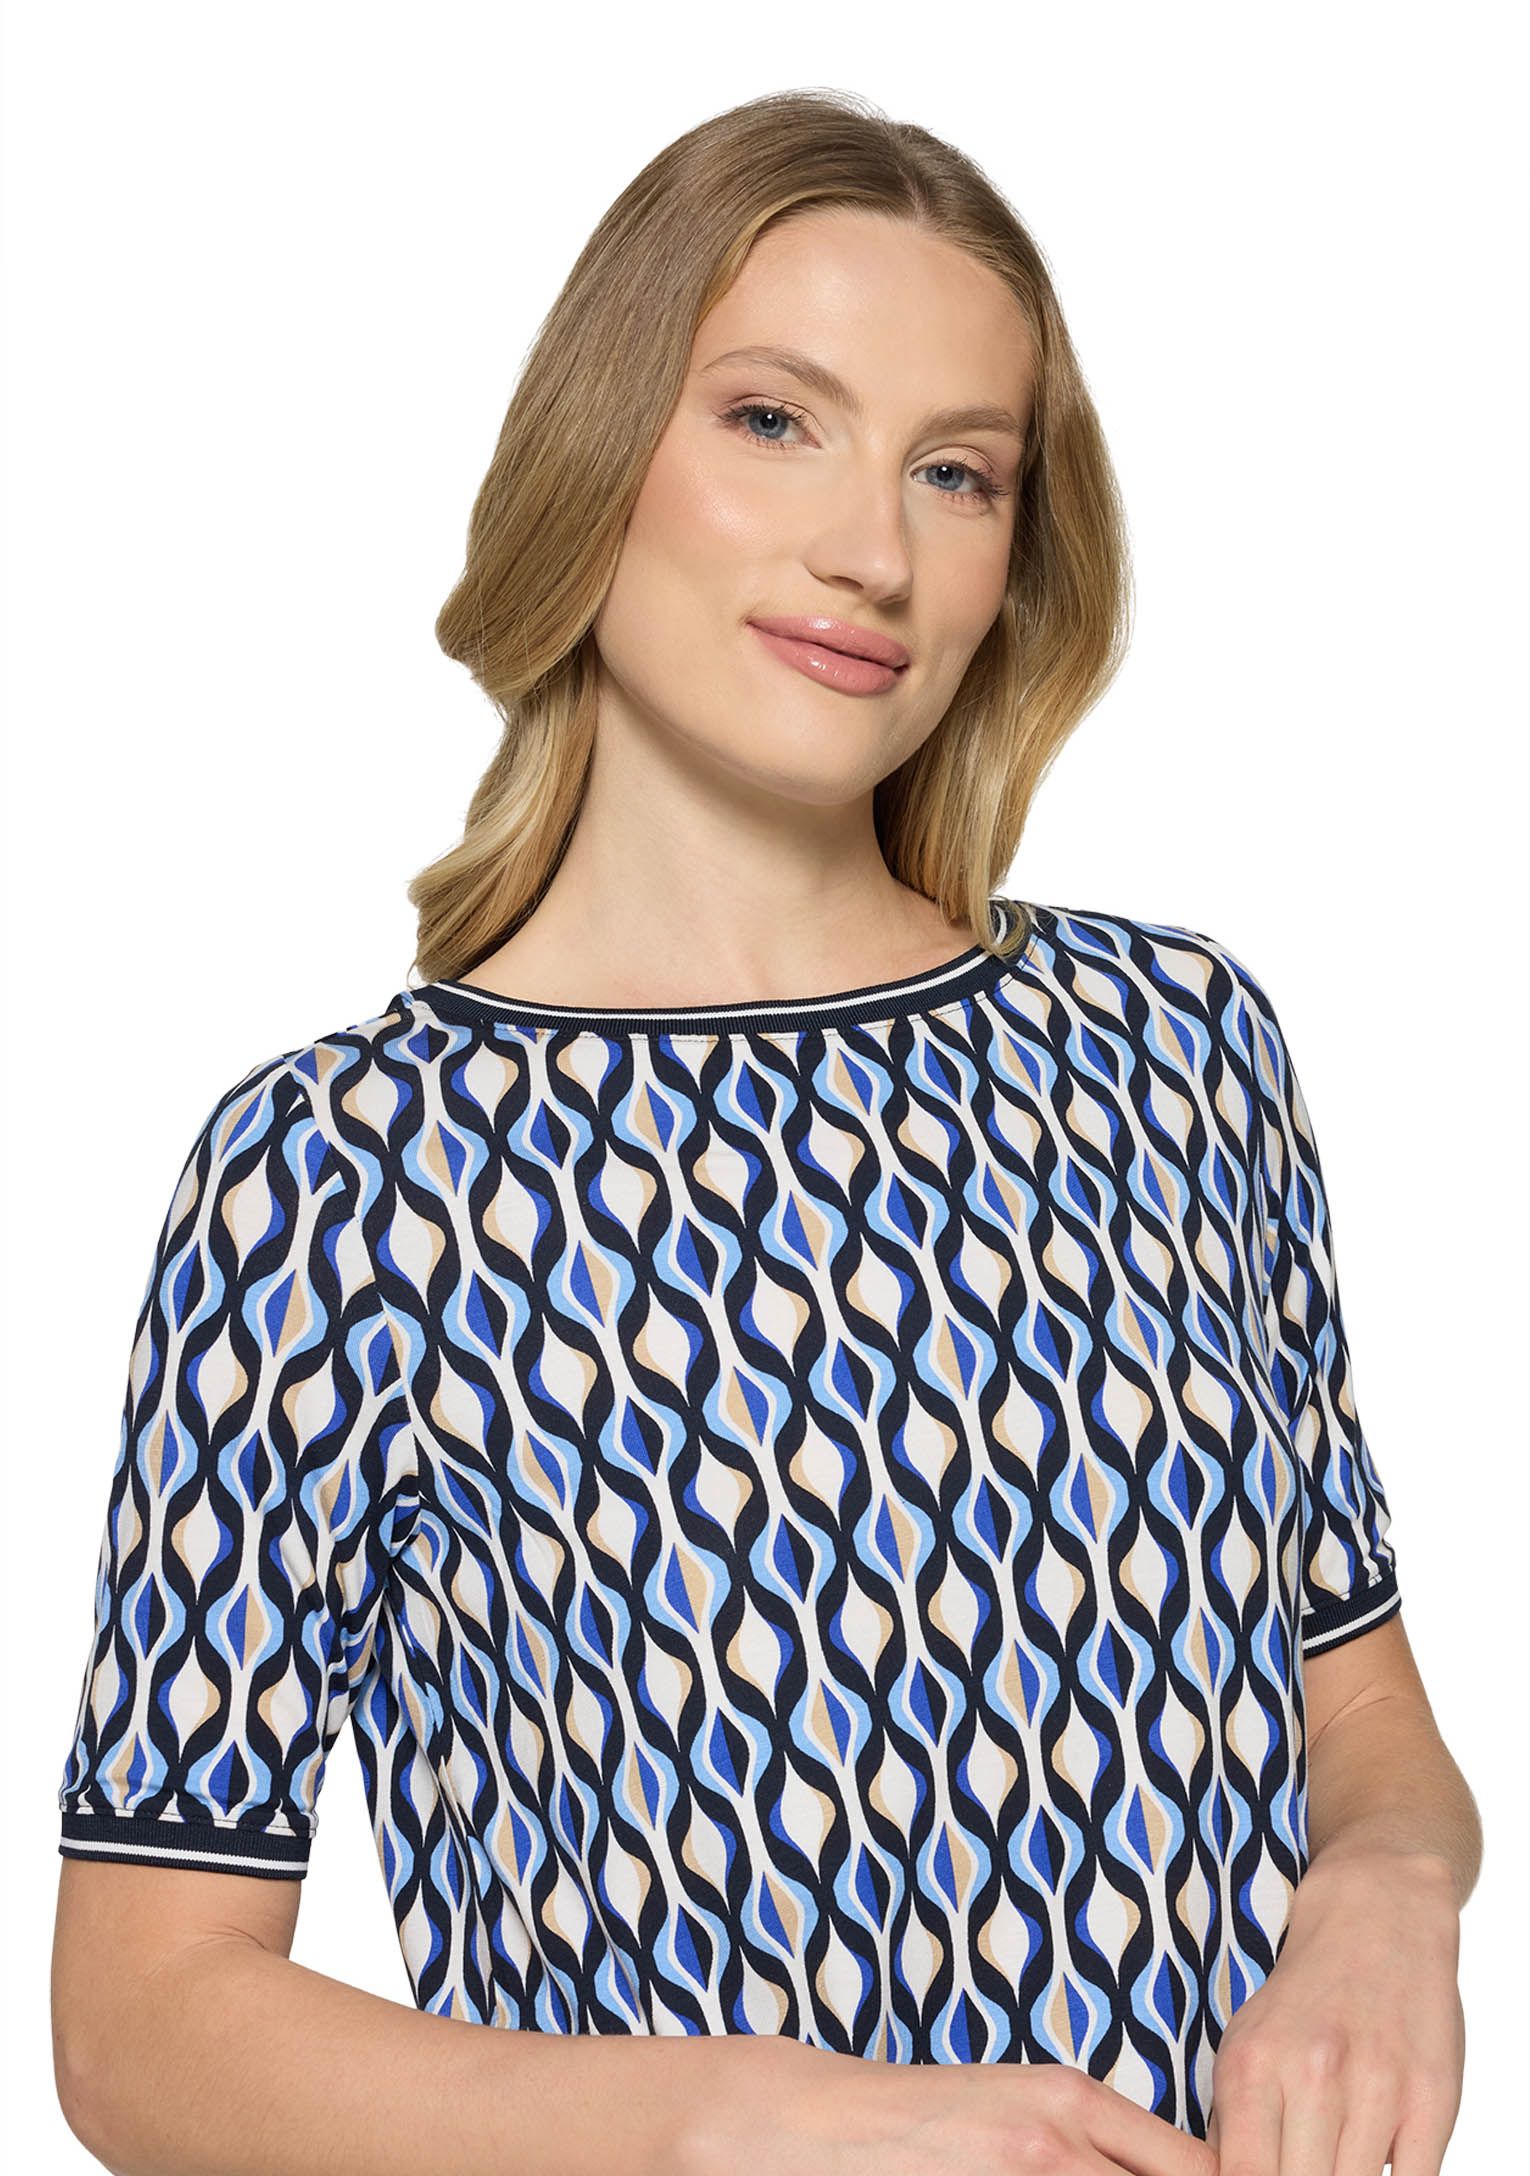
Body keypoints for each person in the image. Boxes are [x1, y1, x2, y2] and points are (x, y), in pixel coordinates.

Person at [51, 87, 1477, 2176]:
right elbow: (138, 2015)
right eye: (774, 419)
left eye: (956, 471)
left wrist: (1389, 1900)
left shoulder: (1176, 1048)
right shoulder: (339, 1182)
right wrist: (725, 2118)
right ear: (597, 448)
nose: (873, 551)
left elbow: (1362, 1716)